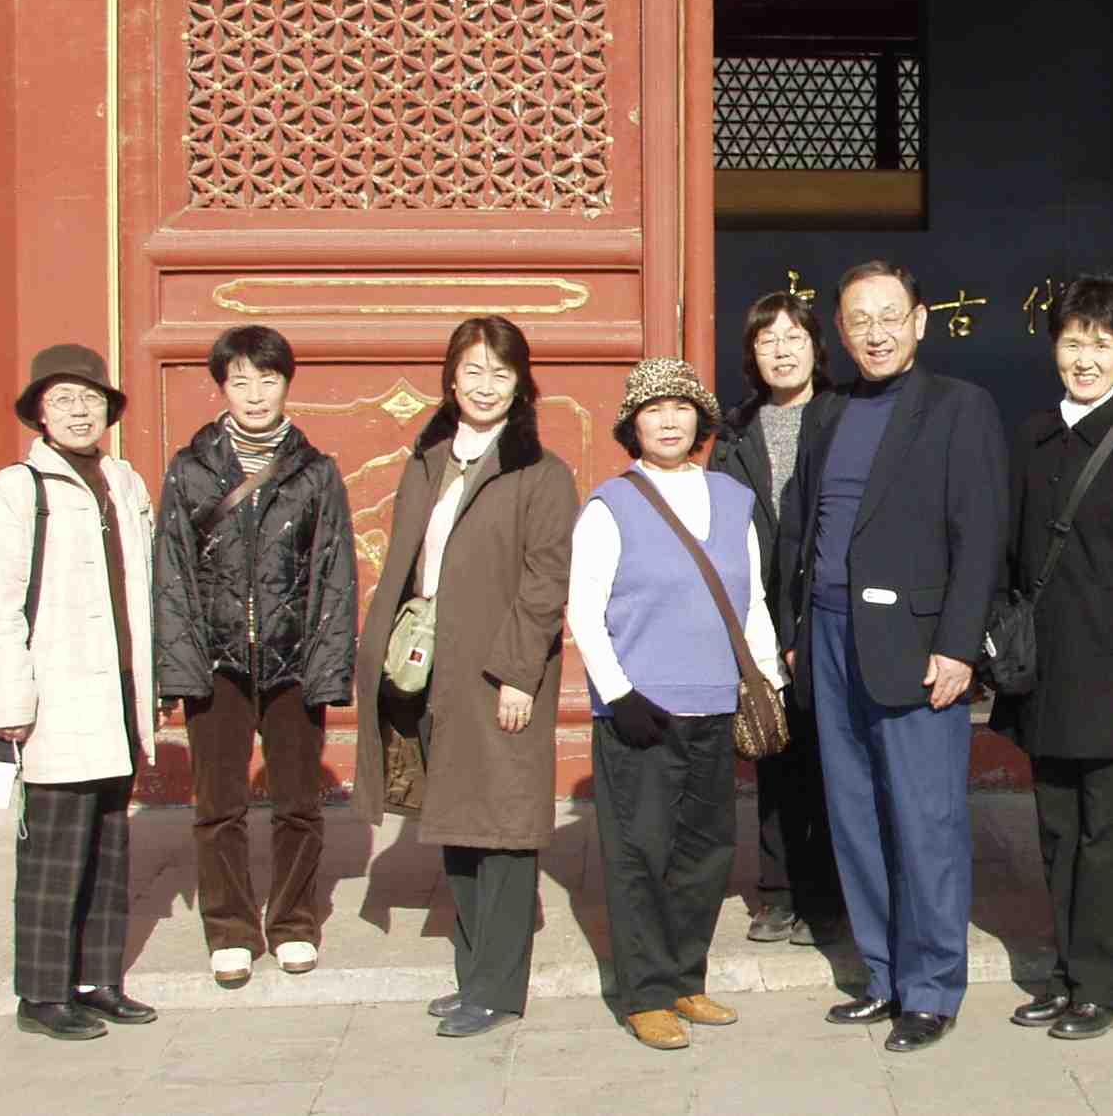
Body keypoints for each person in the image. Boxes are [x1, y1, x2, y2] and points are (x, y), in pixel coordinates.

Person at [776, 260, 1009, 1053]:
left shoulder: (958, 407)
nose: (874, 333)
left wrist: (958, 645)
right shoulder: (827, 411)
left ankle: (932, 987)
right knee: (854, 816)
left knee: (925, 819)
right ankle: (881, 975)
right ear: (840, 333)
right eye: (858, 320)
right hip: (829, 636)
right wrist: (796, 628)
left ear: (919, 321)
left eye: (888, 316)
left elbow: (979, 534)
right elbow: (802, 525)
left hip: (916, 646)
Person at [353, 316, 578, 1040]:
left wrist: (518, 674)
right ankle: (471, 975)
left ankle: (498, 988)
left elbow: (546, 581)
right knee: (456, 820)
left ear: (520, 384)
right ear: (451, 379)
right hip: (433, 668)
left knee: (503, 830)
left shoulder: (541, 472)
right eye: (472, 370)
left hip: (499, 671)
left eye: (499, 373)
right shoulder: (428, 460)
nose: (484, 386)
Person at [567, 358, 785, 1051]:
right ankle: (646, 994)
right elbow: (583, 608)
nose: (668, 420)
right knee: (640, 853)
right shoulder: (610, 504)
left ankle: (687, 978)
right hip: (642, 714)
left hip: (716, 705)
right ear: (632, 425)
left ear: (701, 420)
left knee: (705, 851)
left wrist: (766, 682)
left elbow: (751, 599)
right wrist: (619, 692)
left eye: (681, 407)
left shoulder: (731, 499)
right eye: (653, 409)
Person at [991, 276, 1113, 1041]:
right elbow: (1010, 552)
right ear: (1053, 347)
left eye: (1102, 343)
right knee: (1056, 827)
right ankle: (1066, 971)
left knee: (1106, 835)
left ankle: (1104, 984)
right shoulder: (1032, 435)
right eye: (1073, 341)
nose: (1085, 357)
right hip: (1044, 671)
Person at [153, 325, 358, 988]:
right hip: (217, 662)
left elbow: (335, 573)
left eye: (267, 379)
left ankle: (294, 921)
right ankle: (231, 929)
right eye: (239, 380)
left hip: (293, 658)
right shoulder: (190, 469)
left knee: (298, 803)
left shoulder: (316, 472)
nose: (254, 394)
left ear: (286, 384)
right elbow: (172, 573)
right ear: (222, 387)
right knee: (219, 806)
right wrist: (180, 667)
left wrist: (328, 666)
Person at [0, 343, 159, 1039]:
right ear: (40, 414)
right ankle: (42, 993)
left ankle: (97, 979)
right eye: (63, 400)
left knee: (110, 841)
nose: (80, 412)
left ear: (108, 409)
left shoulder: (124, 481)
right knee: (54, 849)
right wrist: (9, 700)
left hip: (118, 689)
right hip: (55, 691)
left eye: (91, 399)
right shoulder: (15, 489)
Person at [712, 291, 847, 946]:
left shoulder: (844, 416)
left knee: (833, 758)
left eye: (793, 337)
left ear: (815, 346)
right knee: (774, 749)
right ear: (752, 355)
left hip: (829, 606)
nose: (782, 350)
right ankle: (777, 891)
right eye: (767, 340)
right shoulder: (735, 431)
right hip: (761, 612)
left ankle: (828, 894)